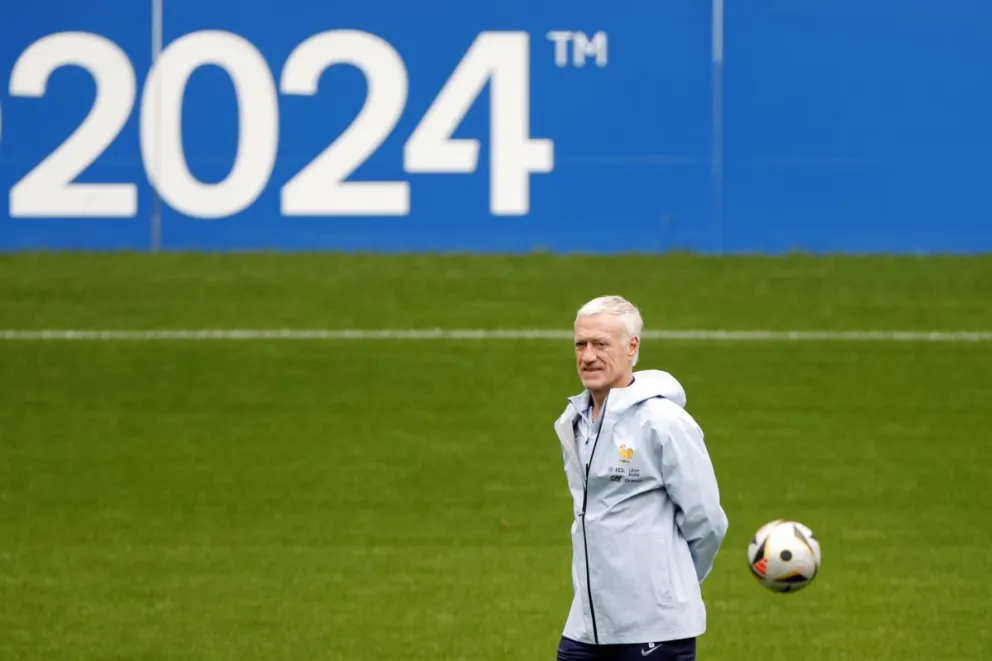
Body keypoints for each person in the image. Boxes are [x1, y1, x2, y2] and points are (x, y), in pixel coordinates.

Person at [553, 295, 729, 661]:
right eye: (580, 344)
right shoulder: (573, 422)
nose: (587, 356)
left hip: (654, 626)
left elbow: (707, 520)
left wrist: (671, 586)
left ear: (632, 347)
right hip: (587, 622)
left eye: (600, 344)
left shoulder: (663, 422)